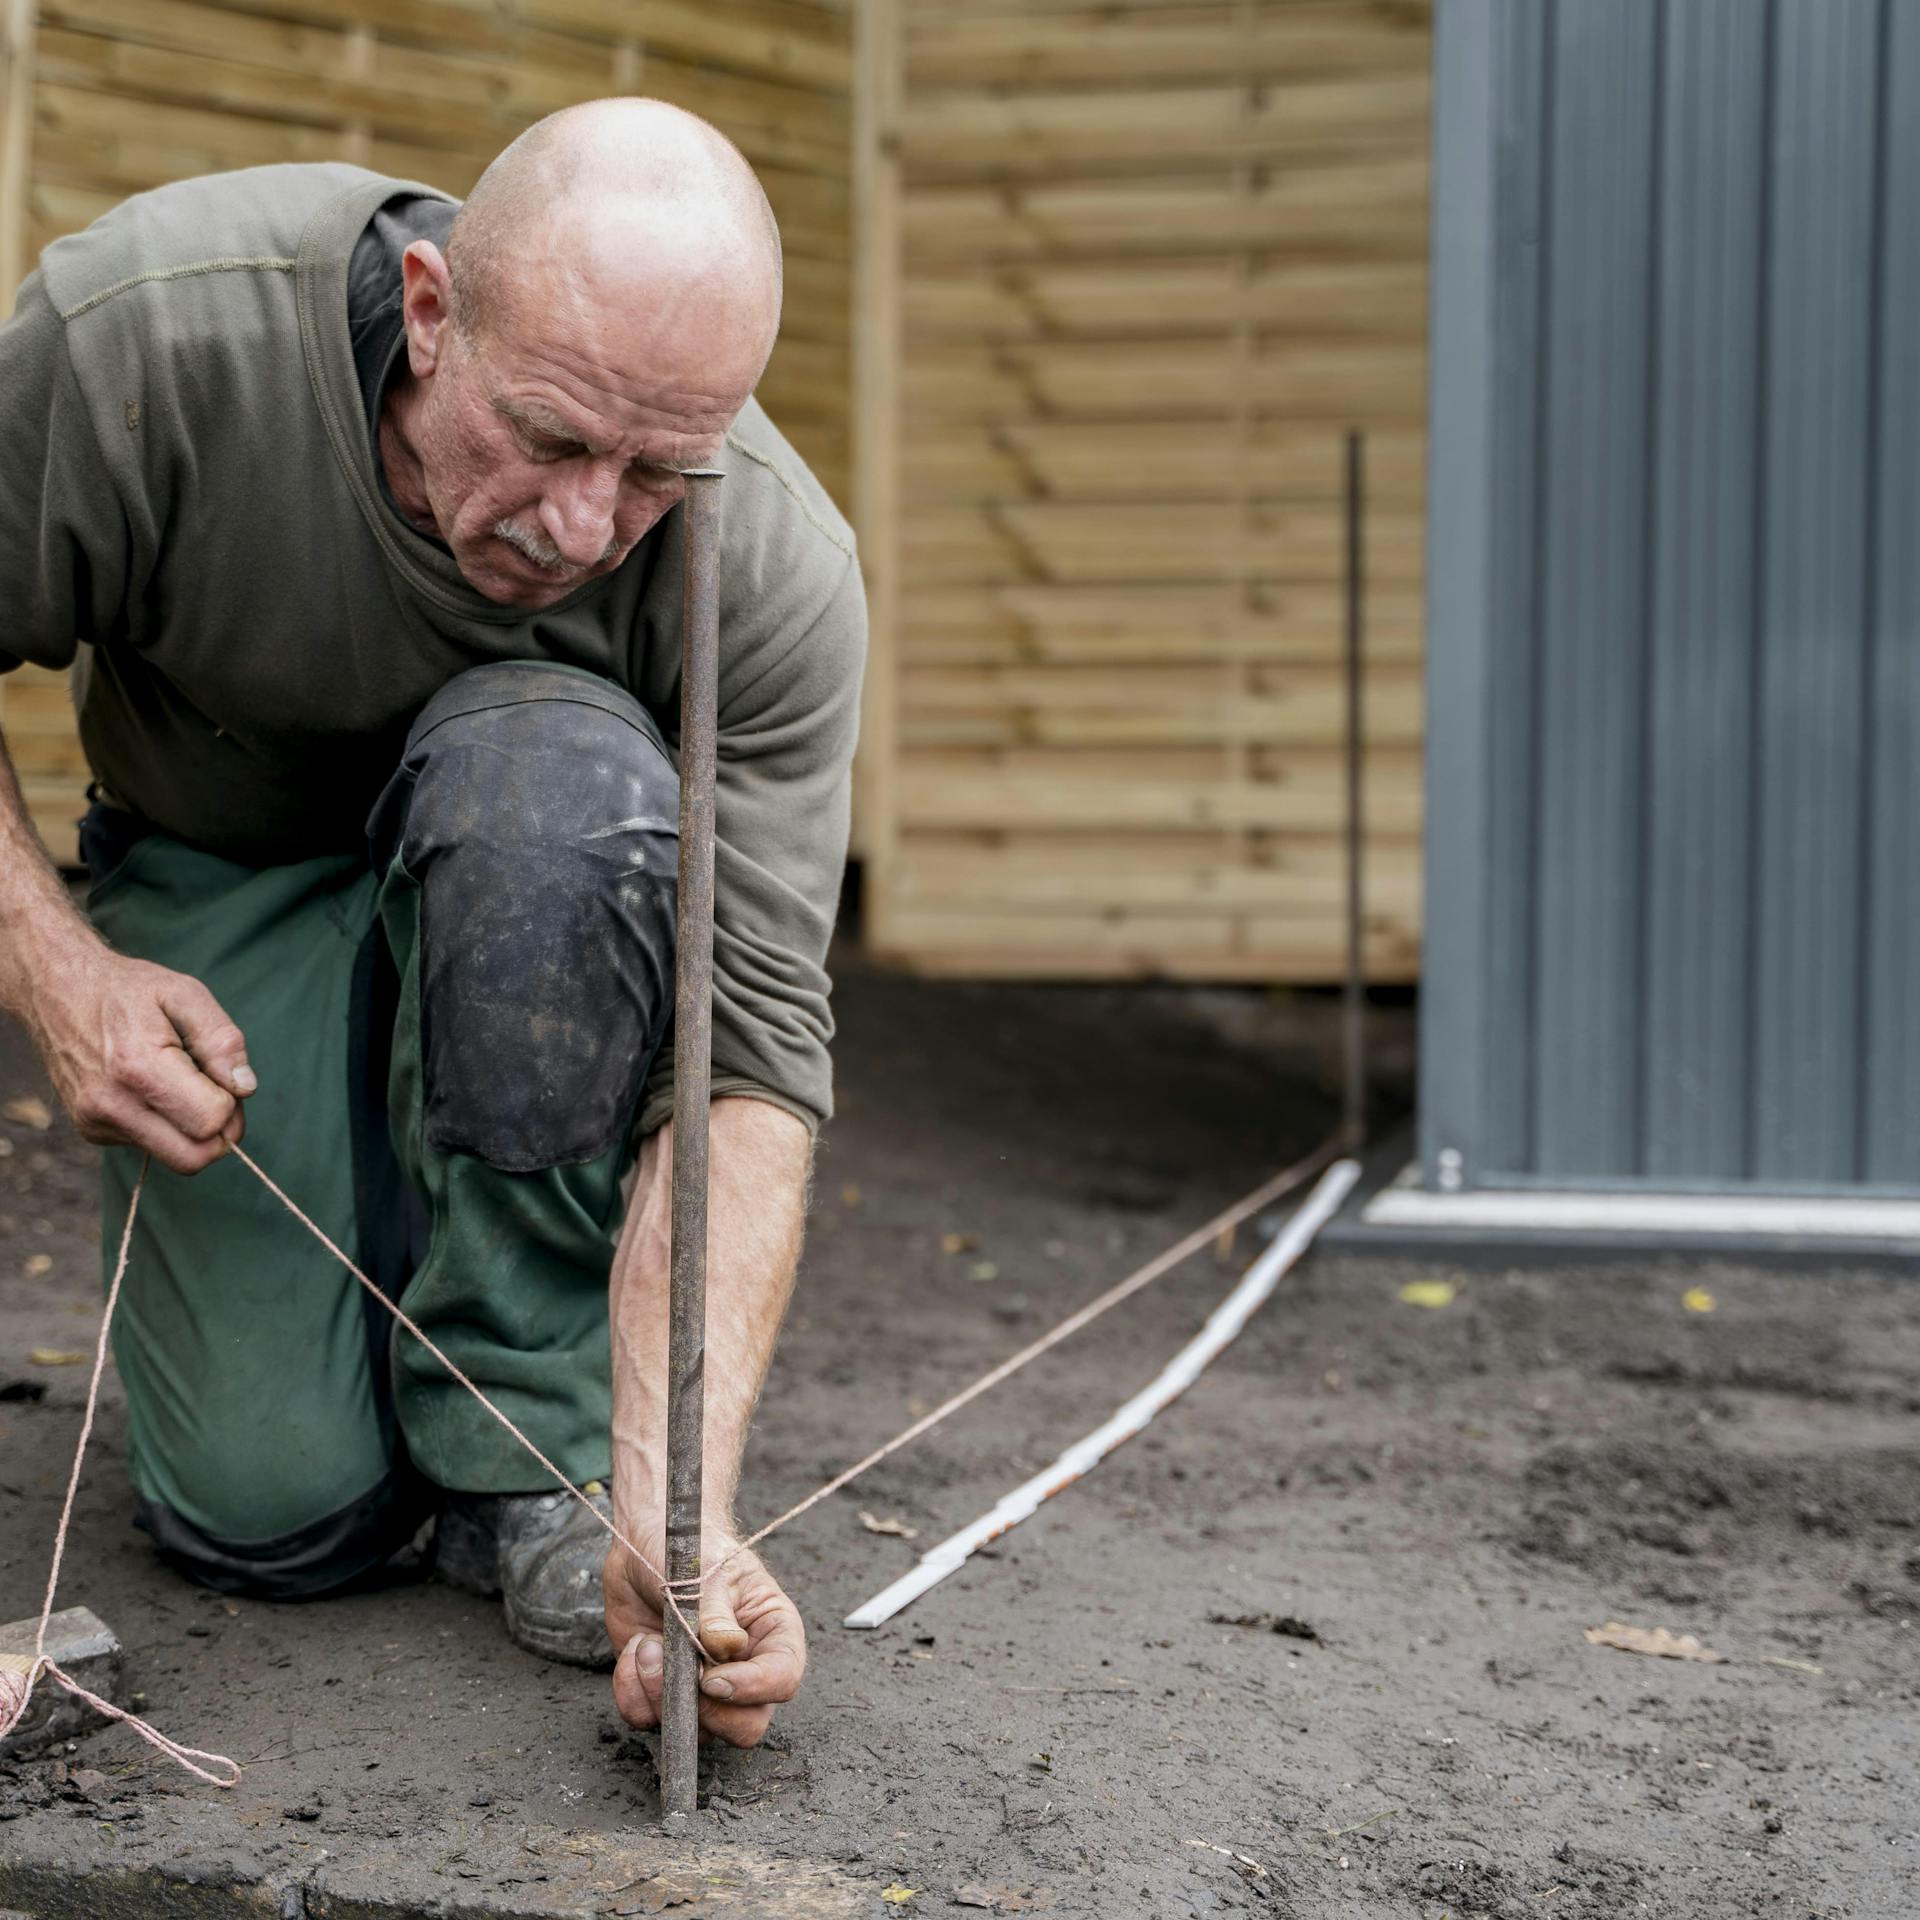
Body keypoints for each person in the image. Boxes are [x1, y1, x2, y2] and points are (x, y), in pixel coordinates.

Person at [0, 98, 865, 1749]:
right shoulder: (153, 339)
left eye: (656, 472)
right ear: (429, 308)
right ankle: (352, 1374)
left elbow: (749, 1052)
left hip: (537, 876)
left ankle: (515, 1446)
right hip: (217, 877)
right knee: (266, 1518)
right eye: (546, 436)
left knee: (549, 778)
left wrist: (673, 1509)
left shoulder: (774, 567)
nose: (583, 526)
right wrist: (58, 970)